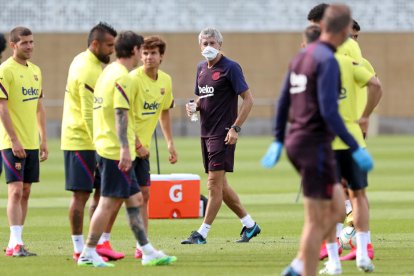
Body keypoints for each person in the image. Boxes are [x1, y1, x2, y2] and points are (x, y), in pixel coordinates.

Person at [261, 5, 374, 275]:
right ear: (344, 31)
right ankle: (302, 266)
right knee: (318, 217)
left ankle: (304, 263)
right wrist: (354, 144)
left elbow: (282, 102)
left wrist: (279, 139)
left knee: (336, 208)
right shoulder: (328, 60)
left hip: (298, 142)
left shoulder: (301, 56)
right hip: (316, 144)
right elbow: (329, 111)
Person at [77, 31, 176, 267]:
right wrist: (125, 149)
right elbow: (120, 114)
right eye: (142, 49)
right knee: (108, 202)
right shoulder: (123, 77)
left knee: (135, 198)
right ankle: (89, 251)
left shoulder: (108, 71)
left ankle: (146, 250)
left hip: (108, 145)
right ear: (135, 51)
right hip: (114, 150)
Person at [181, 27, 260, 245]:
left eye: (212, 43)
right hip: (205, 133)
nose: (208, 47)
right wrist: (194, 106)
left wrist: (235, 128)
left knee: (213, 184)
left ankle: (202, 234)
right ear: (199, 45)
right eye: (204, 43)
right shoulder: (200, 68)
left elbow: (249, 99)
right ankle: (250, 225)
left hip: (222, 134)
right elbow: (203, 98)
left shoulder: (231, 67)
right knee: (221, 185)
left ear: (220, 45)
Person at [61, 22, 124, 261]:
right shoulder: (86, 68)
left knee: (101, 194)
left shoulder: (94, 63)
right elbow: (89, 114)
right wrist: (99, 147)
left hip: (95, 140)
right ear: (95, 44)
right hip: (81, 140)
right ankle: (79, 248)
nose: (112, 50)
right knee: (81, 195)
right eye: (109, 46)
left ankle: (95, 245)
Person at [0, 26, 48, 257]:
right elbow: (2, 109)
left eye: (31, 42)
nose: (29, 46)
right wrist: (14, 140)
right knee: (16, 191)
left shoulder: (37, 71)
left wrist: (44, 139)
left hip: (32, 141)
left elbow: (39, 107)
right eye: (24, 43)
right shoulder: (5, 71)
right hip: (11, 142)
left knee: (26, 191)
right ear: (13, 45)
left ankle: (15, 242)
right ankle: (16, 243)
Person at [129, 35, 178, 258]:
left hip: (143, 150)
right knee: (112, 199)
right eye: (145, 53)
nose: (148, 57)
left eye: (153, 53)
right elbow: (123, 116)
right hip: (123, 148)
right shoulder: (132, 79)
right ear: (140, 55)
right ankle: (101, 243)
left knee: (145, 195)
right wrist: (137, 144)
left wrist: (169, 143)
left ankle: (142, 245)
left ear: (161, 57)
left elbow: (165, 110)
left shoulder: (165, 81)